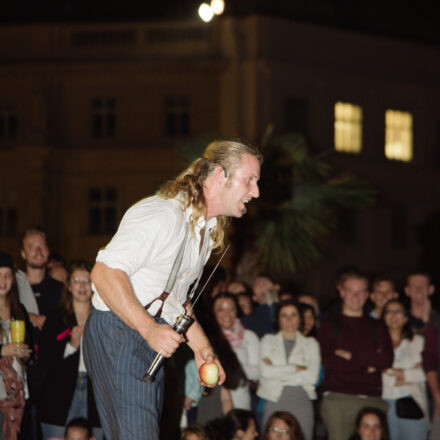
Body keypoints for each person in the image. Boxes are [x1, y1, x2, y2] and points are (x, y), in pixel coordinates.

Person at [82, 140, 262, 439]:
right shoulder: (163, 214)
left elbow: (176, 301)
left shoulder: (204, 230)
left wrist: (203, 349)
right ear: (220, 175)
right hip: (119, 331)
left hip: (147, 333)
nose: (256, 191)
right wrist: (149, 329)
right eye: (250, 180)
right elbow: (104, 274)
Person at [317, 270, 393, 440]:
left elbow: (386, 359)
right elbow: (329, 360)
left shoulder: (378, 326)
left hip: (372, 399)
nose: (356, 296)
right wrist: (369, 363)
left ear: (367, 294)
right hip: (339, 399)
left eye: (361, 291)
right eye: (351, 290)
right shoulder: (329, 325)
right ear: (342, 291)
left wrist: (350, 356)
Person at [37, 261, 102, 440]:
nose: (82, 285)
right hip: (58, 396)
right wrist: (71, 346)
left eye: (87, 280)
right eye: (76, 280)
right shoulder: (55, 318)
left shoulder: (102, 319)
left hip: (94, 395)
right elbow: (44, 359)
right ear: (69, 286)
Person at [258, 299, 320, 440]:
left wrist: (277, 369)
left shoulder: (311, 344)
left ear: (300, 318)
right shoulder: (267, 341)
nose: (289, 320)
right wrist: (296, 368)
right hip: (274, 399)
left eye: (293, 315)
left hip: (301, 401)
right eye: (284, 315)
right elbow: (265, 372)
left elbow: (312, 377)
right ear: (278, 319)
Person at [381, 299, 429, 440]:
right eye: (389, 311)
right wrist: (410, 374)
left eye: (398, 311)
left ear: (406, 317)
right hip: (383, 402)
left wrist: (403, 374)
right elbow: (372, 372)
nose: (393, 315)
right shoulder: (375, 343)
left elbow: (428, 371)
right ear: (383, 317)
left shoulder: (419, 342)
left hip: (412, 401)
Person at [0, 252, 32, 440]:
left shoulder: (19, 310)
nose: (3, 281)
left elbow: (31, 348)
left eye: (7, 275)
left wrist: (25, 354)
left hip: (17, 390)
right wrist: (4, 350)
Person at [405, 271, 440, 421]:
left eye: (423, 286)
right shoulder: (399, 320)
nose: (418, 290)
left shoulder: (438, 321)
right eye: (414, 286)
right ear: (407, 290)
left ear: (431, 289)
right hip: (409, 391)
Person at [19, 227, 63, 331]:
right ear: (23, 253)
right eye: (31, 247)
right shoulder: (13, 288)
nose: (38, 251)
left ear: (48, 251)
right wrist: (26, 316)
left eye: (42, 246)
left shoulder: (60, 289)